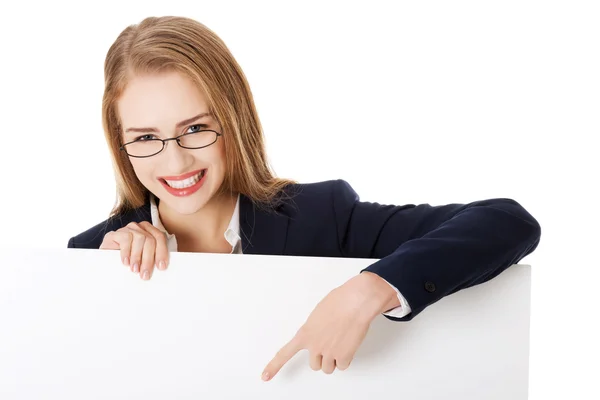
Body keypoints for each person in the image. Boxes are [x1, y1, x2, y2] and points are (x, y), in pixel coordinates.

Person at [67, 16, 541, 382]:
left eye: (195, 128)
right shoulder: (86, 258)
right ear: (120, 142)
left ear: (234, 121)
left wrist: (369, 289)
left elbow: (505, 221)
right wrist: (100, 287)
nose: (175, 163)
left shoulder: (321, 217)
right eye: (146, 137)